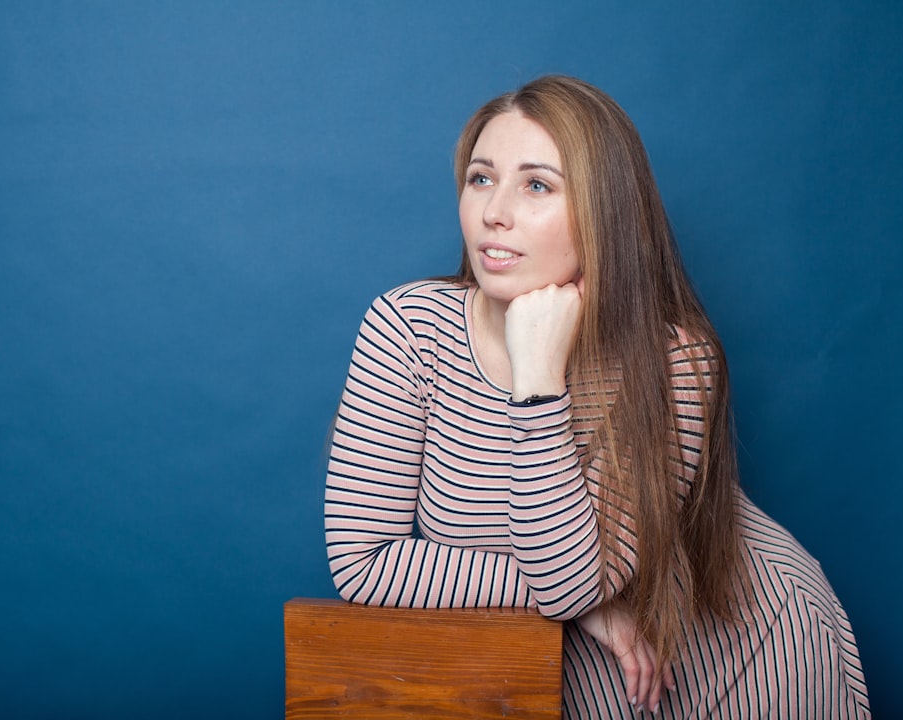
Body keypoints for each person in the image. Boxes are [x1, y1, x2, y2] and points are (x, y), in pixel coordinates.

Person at [324, 75, 870, 718]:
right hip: (575, 674)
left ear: (603, 212)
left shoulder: (676, 361)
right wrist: (586, 609)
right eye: (480, 178)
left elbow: (571, 584)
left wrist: (537, 384)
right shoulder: (409, 328)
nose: (494, 210)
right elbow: (363, 563)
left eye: (537, 185)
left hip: (744, 652)